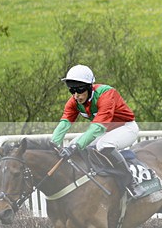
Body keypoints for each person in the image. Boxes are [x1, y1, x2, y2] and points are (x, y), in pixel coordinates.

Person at [51, 64, 142, 197]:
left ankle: (131, 182)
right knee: (72, 145)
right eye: (72, 91)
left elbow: (98, 126)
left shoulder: (106, 94)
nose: (76, 96)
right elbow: (64, 124)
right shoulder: (74, 102)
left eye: (79, 90)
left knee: (103, 145)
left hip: (126, 127)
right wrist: (53, 144)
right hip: (105, 131)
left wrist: (77, 146)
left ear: (89, 87)